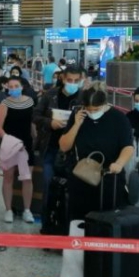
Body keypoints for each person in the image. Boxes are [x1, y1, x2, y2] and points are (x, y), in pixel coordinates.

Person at [59, 82, 134, 221]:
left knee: (108, 219)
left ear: (104, 104)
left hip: (110, 178)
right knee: (79, 219)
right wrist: (76, 124)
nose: (92, 113)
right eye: (89, 109)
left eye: (96, 109)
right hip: (81, 177)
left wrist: (119, 163)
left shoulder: (119, 118)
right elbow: (64, 146)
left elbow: (128, 146)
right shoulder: (78, 115)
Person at [33, 66, 84, 209]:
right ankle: (47, 216)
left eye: (76, 81)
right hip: (51, 146)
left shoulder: (83, 98)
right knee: (48, 183)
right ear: (63, 78)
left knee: (73, 186)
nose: (72, 83)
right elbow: (35, 115)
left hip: (73, 151)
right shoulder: (50, 95)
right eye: (69, 80)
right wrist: (50, 122)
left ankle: (67, 217)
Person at [0, 76, 36, 223]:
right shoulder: (4, 104)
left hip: (26, 143)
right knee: (8, 177)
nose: (13, 89)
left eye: (16, 86)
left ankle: (27, 210)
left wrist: (34, 136)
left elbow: (31, 122)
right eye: (11, 86)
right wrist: (10, 141)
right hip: (9, 144)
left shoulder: (30, 101)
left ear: (22, 86)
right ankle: (8, 210)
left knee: (27, 178)